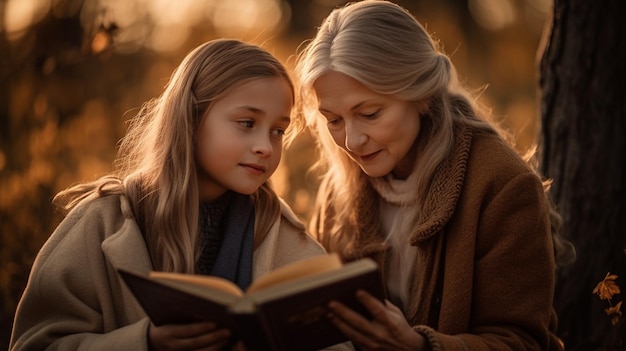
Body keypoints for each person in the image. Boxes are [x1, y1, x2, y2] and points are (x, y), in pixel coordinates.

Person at [10, 39, 335, 351]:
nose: (266, 146)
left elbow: (337, 342)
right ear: (191, 119)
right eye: (247, 122)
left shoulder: (280, 231)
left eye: (278, 131)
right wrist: (146, 343)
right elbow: (35, 343)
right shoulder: (104, 222)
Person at [295, 1, 575, 350]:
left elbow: (521, 341)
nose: (351, 141)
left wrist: (419, 346)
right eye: (333, 120)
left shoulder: (502, 187)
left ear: (422, 95)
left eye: (369, 113)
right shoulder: (339, 190)